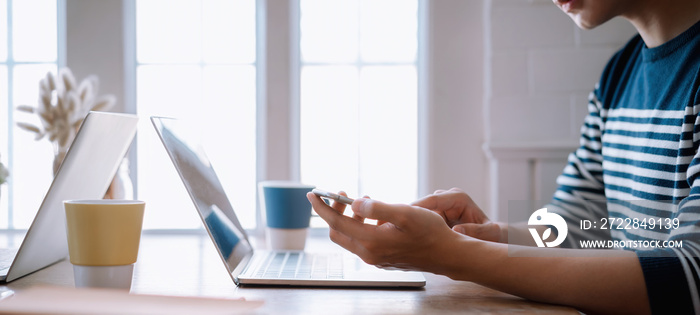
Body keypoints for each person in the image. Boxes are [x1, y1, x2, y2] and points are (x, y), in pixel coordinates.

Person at [306, 0, 700, 314]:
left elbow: (688, 279)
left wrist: (456, 255)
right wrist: (493, 236)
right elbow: (582, 228)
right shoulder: (618, 76)